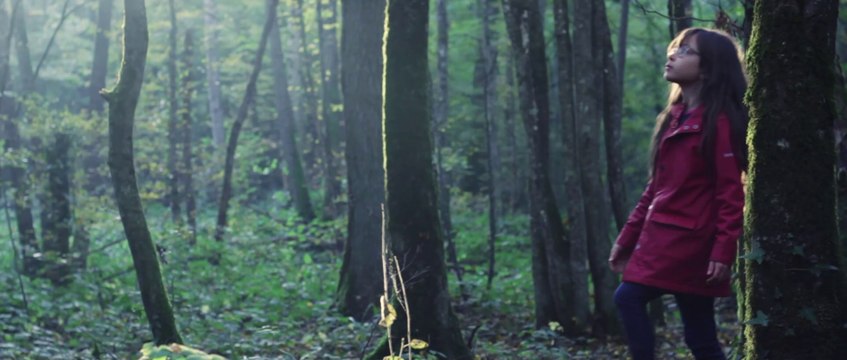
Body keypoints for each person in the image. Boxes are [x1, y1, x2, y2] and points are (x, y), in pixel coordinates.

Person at [607, 27, 747, 360]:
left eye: (686, 51)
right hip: (663, 237)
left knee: (627, 297)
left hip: (690, 242)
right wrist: (626, 239)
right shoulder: (673, 118)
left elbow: (731, 194)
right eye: (675, 48)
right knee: (701, 337)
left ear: (709, 68)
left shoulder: (721, 123)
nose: (673, 55)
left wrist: (722, 252)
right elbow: (654, 188)